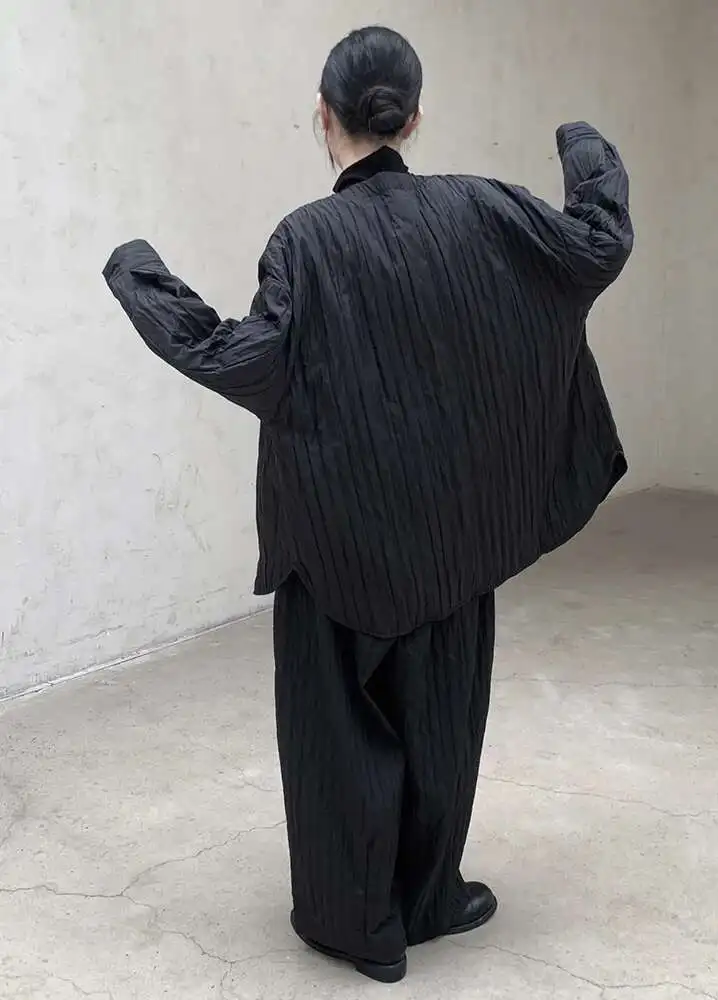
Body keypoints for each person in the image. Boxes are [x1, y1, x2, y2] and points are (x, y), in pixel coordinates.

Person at [103, 25, 633, 985]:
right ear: (413, 117)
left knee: (338, 738)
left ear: (324, 115)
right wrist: (582, 144)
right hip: (454, 537)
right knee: (443, 723)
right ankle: (432, 898)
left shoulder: (306, 240)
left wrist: (140, 274)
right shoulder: (484, 208)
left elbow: (237, 357)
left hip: (339, 541)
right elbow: (597, 242)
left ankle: (359, 926)